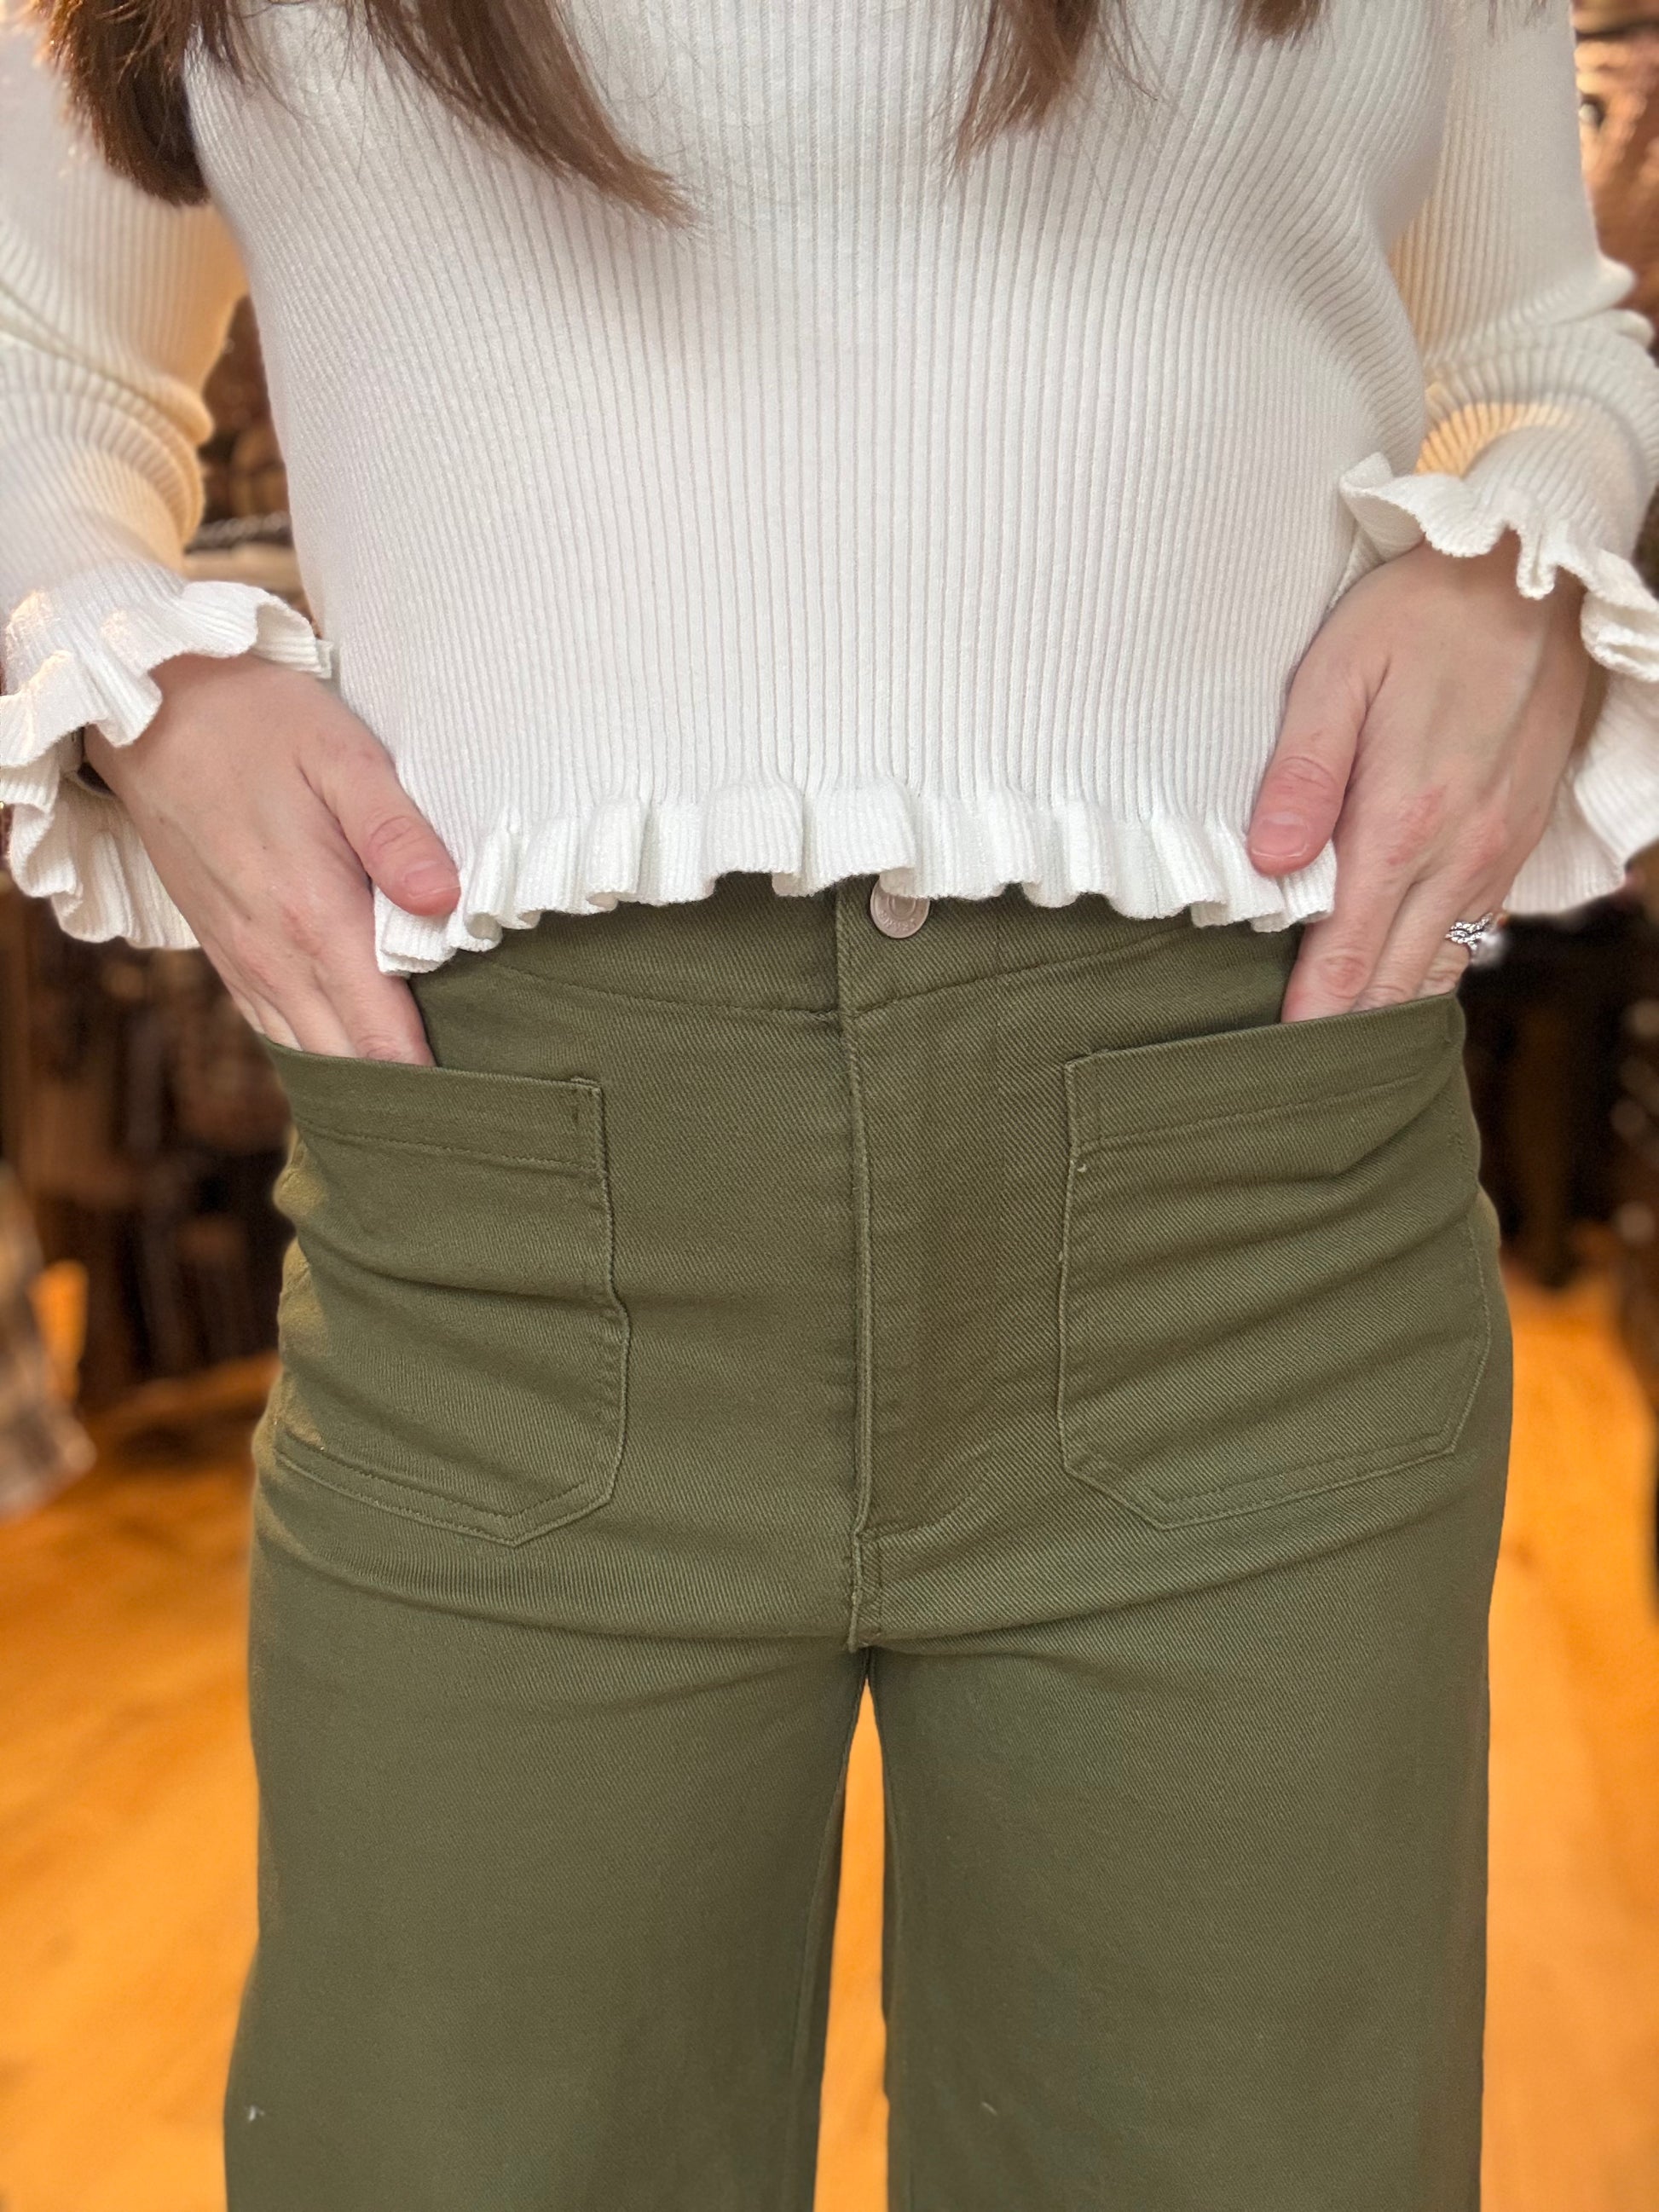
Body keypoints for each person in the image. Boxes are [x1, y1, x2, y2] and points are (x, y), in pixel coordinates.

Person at [3, 0, 1658, 2203]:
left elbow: (1539, 332)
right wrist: (139, 674)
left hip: (1239, 1194)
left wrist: (1516, 545)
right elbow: (41, 350)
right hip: (513, 1224)